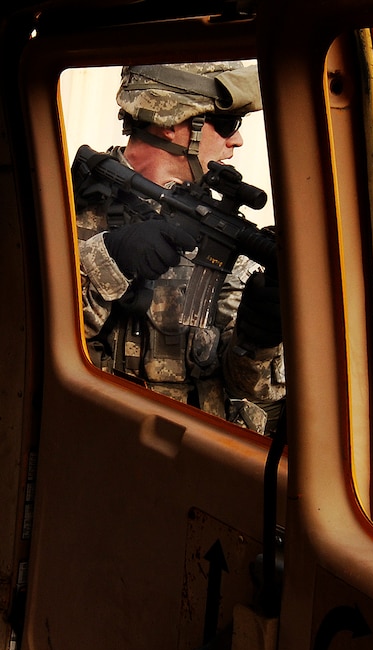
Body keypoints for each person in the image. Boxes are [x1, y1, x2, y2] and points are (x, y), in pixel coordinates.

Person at [73, 62, 284, 434]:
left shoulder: (219, 233)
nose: (237, 141)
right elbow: (23, 337)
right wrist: (108, 259)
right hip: (91, 448)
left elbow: (254, 390)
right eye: (228, 123)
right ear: (172, 120)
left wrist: (257, 338)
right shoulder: (62, 205)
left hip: (193, 460)